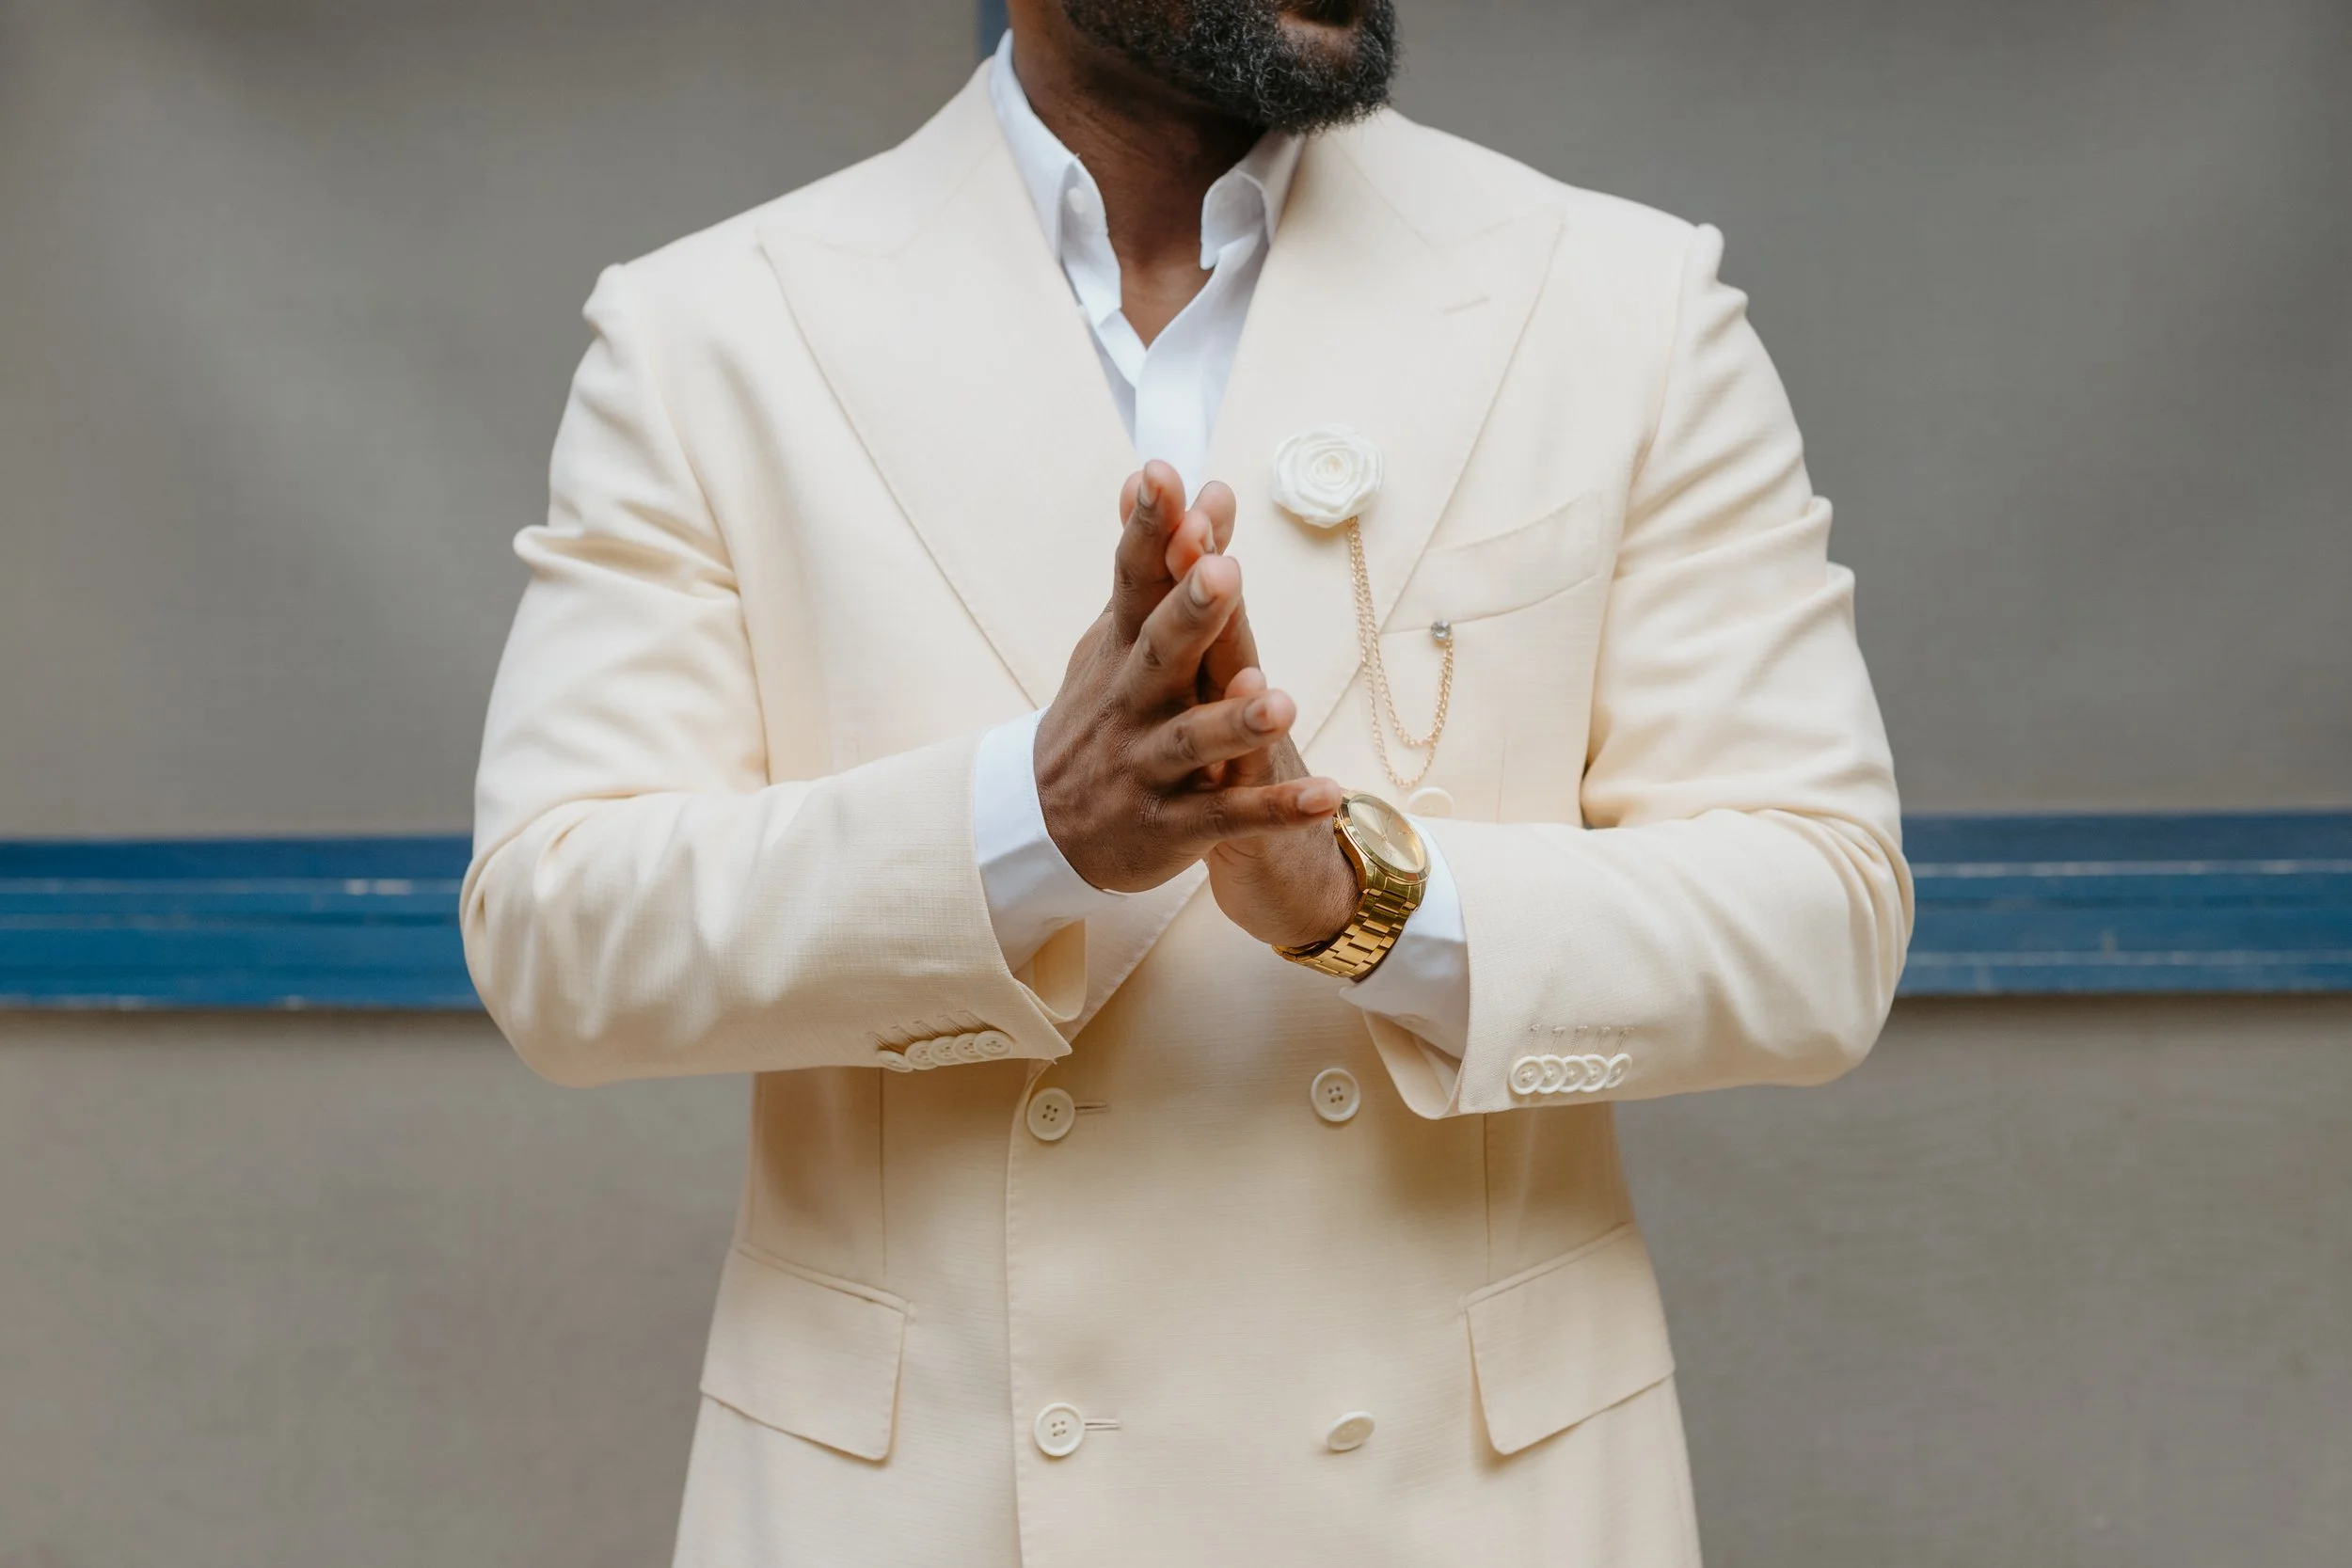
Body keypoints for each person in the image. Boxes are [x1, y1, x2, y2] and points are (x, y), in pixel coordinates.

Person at [462, 1, 1912, 1561]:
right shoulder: (710, 335)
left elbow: (1821, 919)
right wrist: (1031, 827)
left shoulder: (1622, 304)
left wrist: (1367, 896)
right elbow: (557, 928)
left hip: (1465, 1513)